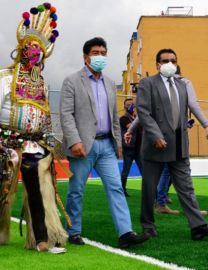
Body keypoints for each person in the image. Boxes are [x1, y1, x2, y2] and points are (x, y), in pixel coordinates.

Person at [0, 6, 68, 254]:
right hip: (6, 141)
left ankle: (42, 239)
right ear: (21, 50)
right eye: (31, 47)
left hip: (35, 144)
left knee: (39, 191)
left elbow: (45, 116)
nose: (36, 52)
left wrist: (51, 143)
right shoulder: (4, 77)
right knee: (0, 188)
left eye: (40, 49)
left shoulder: (42, 85)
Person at [59, 37, 149, 249]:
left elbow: (113, 116)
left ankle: (126, 233)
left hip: (107, 145)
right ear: (85, 57)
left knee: (116, 188)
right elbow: (66, 115)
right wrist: (74, 141)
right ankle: (73, 231)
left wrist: (117, 141)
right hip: (82, 146)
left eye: (103, 52)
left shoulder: (109, 83)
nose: (100, 56)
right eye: (95, 52)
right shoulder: (71, 81)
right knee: (76, 190)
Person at [136, 48, 208, 240]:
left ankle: (198, 227)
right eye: (165, 60)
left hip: (179, 144)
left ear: (177, 63)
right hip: (156, 144)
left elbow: (187, 111)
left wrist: (205, 125)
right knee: (149, 189)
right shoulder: (147, 83)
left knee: (186, 187)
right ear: (157, 64)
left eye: (173, 61)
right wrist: (155, 135)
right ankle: (148, 226)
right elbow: (143, 112)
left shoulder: (182, 85)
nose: (169, 64)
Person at [126, 65, 208, 215]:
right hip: (176, 137)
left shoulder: (156, 84)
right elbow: (193, 104)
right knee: (182, 175)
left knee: (168, 172)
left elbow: (143, 113)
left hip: (161, 136)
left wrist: (130, 130)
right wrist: (207, 125)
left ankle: (161, 205)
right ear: (181, 72)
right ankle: (187, 209)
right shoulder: (184, 82)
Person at [120, 98, 143, 197]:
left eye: (132, 104)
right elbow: (131, 126)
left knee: (144, 171)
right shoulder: (123, 118)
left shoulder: (137, 117)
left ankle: (148, 191)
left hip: (139, 149)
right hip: (129, 149)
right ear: (124, 107)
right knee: (125, 171)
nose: (130, 107)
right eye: (128, 105)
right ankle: (122, 190)